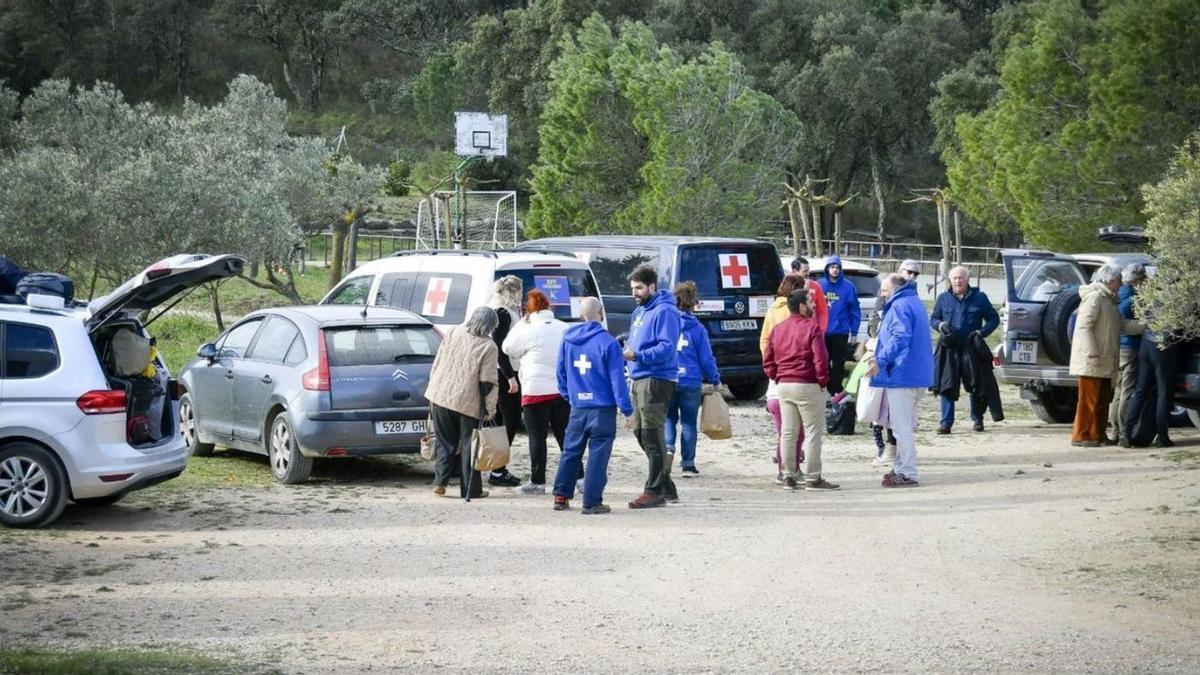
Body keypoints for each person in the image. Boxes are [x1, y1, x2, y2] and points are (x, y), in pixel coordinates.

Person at [552, 298, 634, 513]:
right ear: (601, 314)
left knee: (570, 451)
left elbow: (560, 372)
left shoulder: (568, 339)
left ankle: (561, 496)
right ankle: (592, 501)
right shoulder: (608, 343)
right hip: (602, 408)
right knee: (598, 454)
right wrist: (627, 410)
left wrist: (570, 396)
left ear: (581, 315)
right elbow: (618, 381)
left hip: (578, 406)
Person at [762, 288, 837, 491]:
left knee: (788, 432)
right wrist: (823, 381)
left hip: (784, 385)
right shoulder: (812, 328)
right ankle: (813, 478)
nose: (814, 305)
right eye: (811, 302)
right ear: (802, 306)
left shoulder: (778, 328)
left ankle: (788, 476)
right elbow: (821, 359)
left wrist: (776, 376)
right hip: (807, 383)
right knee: (812, 431)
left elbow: (767, 358)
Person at [425, 307, 500, 500]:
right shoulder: (488, 346)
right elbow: (488, 382)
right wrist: (489, 409)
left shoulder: (453, 331)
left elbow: (438, 362)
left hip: (441, 395)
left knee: (445, 443)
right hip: (468, 401)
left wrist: (433, 387)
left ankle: (440, 483)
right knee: (470, 446)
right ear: (491, 325)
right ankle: (471, 490)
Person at [623, 264, 682, 509]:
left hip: (656, 379)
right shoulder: (640, 311)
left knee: (651, 433)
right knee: (640, 431)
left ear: (652, 286)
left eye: (639, 288)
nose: (635, 293)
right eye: (633, 288)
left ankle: (654, 490)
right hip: (638, 377)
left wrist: (637, 355)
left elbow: (666, 347)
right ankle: (666, 485)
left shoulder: (664, 312)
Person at [867, 273, 934, 488]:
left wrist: (881, 359)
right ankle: (900, 467)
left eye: (885, 291)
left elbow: (900, 337)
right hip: (917, 374)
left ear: (895, 289)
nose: (882, 295)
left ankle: (907, 472)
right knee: (904, 425)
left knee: (901, 427)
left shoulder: (898, 306)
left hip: (903, 374)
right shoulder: (915, 302)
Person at [502, 289, 571, 495]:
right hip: (560, 389)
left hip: (535, 391)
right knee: (565, 436)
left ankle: (538, 481)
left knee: (537, 437)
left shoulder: (527, 329)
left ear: (528, 310)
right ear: (549, 307)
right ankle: (578, 477)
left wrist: (522, 324)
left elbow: (507, 348)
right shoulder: (564, 328)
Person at [1069, 263, 1143, 447]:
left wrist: (1146, 326)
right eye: (1118, 280)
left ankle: (1097, 434)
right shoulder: (1095, 298)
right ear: (1110, 280)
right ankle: (1082, 435)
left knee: (1102, 399)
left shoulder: (1109, 300)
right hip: (1092, 359)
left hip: (1104, 359)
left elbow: (1122, 325)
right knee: (1088, 400)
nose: (1121, 283)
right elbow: (1084, 327)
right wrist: (1092, 352)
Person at [929, 266, 1000, 434]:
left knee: (975, 384)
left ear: (967, 279)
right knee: (947, 385)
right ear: (950, 280)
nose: (958, 281)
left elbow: (994, 318)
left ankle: (977, 420)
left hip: (971, 348)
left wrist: (981, 332)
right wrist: (941, 325)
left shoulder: (980, 298)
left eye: (961, 278)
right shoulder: (943, 298)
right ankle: (946, 423)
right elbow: (933, 319)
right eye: (954, 278)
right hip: (949, 348)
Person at [665, 282, 720, 475]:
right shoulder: (698, 329)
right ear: (694, 303)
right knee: (688, 423)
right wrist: (715, 378)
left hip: (669, 378)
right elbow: (706, 358)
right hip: (690, 380)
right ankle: (688, 463)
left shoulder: (667, 325)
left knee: (669, 418)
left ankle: (668, 448)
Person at [759, 274, 807, 482]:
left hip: (777, 373)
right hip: (796, 374)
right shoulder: (796, 311)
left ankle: (784, 469)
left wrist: (771, 367)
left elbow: (764, 341)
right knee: (797, 430)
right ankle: (792, 468)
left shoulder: (772, 310)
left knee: (783, 429)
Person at [485, 276, 524, 488]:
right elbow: (499, 347)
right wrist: (510, 377)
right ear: (514, 291)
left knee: (501, 422)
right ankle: (498, 470)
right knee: (510, 421)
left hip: (500, 371)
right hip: (505, 372)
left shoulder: (496, 309)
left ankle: (497, 467)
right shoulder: (503, 312)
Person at [1121, 323, 1178, 448]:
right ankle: (1162, 437)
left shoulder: (1152, 303)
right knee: (1164, 393)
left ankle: (1126, 433)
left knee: (1140, 391)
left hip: (1146, 342)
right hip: (1163, 345)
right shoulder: (1180, 303)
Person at [1109, 263, 1147, 443]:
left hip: (1118, 346)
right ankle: (1124, 429)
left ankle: (1115, 430)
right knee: (1127, 389)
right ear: (1137, 279)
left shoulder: (1118, 295)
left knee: (1118, 390)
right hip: (1130, 346)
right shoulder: (1133, 298)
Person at [818, 255, 861, 395]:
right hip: (822, 331)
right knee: (823, 361)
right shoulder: (819, 285)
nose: (835, 270)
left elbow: (854, 310)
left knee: (838, 363)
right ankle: (825, 387)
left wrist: (854, 333)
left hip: (840, 331)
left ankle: (836, 389)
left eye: (837, 267)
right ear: (827, 269)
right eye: (832, 267)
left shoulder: (848, 287)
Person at [868, 259, 920, 339]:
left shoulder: (913, 291)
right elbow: (877, 313)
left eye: (916, 274)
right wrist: (875, 336)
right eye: (909, 272)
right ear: (900, 271)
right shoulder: (889, 286)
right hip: (887, 331)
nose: (912, 275)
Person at [789, 257, 829, 331]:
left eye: (808, 270)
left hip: (811, 331)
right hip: (793, 331)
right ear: (795, 271)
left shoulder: (815, 286)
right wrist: (804, 290)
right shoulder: (787, 286)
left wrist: (821, 329)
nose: (808, 273)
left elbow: (822, 310)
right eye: (805, 271)